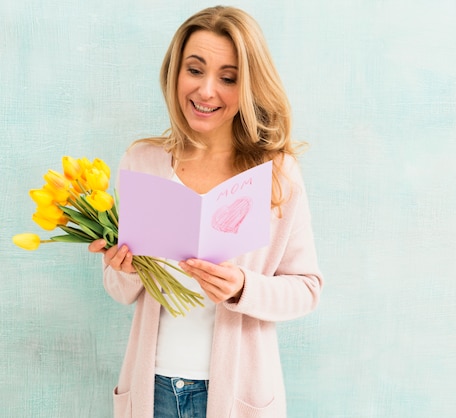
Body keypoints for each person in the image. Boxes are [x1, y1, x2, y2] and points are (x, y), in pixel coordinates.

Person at [88, 6, 323, 418]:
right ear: (175, 72)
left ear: (249, 85)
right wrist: (123, 270)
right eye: (194, 70)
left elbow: (306, 289)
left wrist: (241, 287)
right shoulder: (143, 161)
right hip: (152, 390)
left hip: (238, 396)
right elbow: (119, 288)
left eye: (228, 78)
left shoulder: (276, 174)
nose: (206, 91)